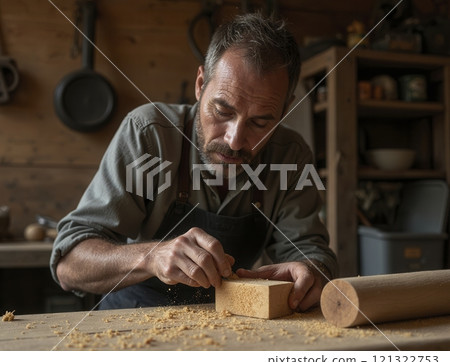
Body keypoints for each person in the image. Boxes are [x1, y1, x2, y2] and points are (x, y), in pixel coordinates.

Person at [51, 13, 338, 311]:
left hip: (235, 320)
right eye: (222, 112)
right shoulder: (148, 135)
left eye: (260, 123)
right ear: (201, 85)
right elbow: (69, 264)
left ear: (285, 110)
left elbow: (310, 251)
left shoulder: (290, 154)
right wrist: (151, 257)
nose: (234, 140)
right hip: (131, 319)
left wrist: (312, 271)